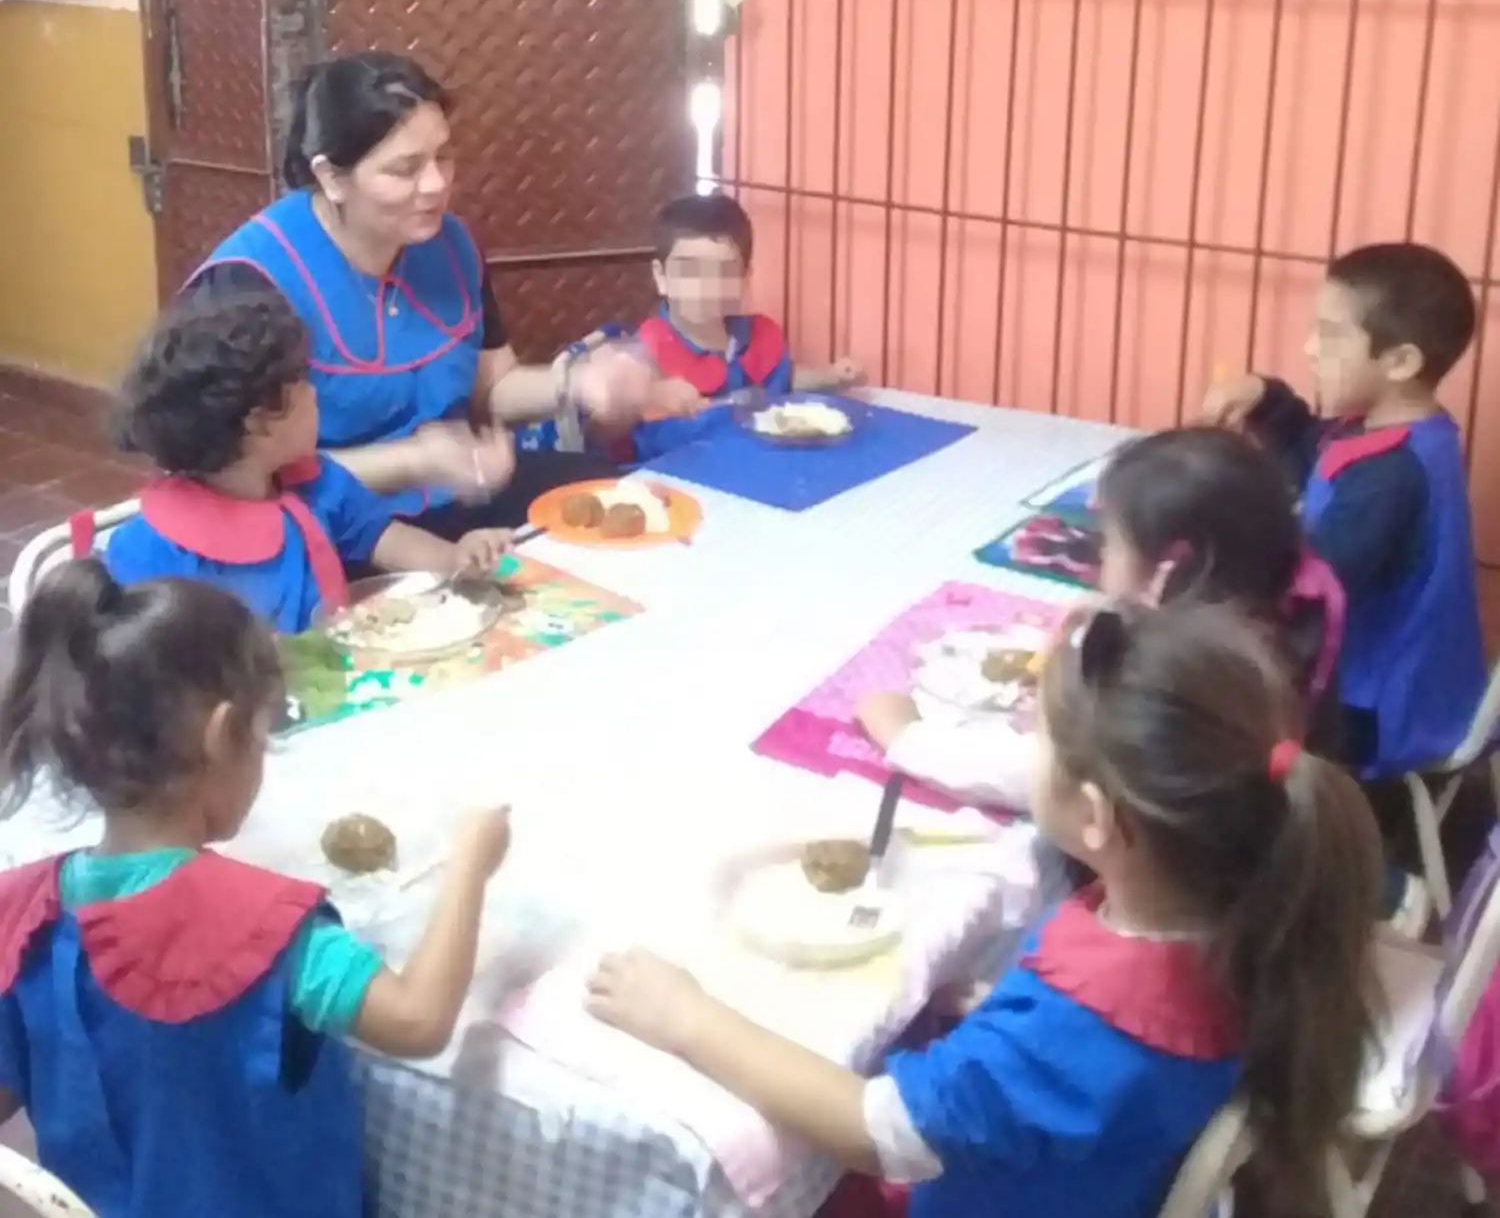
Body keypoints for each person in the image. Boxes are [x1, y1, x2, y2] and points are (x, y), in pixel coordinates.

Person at [588, 601, 1384, 1218]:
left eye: (1036, 739)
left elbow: (873, 1132)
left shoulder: (1082, 1034)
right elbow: (1075, 1060)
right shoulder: (1242, 905)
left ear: (1099, 817)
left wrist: (683, 1017)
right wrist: (995, 1013)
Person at [0, 560, 512, 1218]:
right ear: (222, 736)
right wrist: (470, 862)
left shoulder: (23, 916)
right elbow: (418, 1020)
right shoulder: (264, 926)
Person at [189, 49, 659, 534]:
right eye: (405, 168)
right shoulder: (248, 285)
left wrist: (577, 384)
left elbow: (493, 387)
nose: (436, 184)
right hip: (319, 525)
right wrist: (414, 460)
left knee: (611, 496)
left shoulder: (449, 245)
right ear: (331, 177)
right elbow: (238, 476)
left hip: (452, 495)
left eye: (443, 157)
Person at [856, 427, 1343, 813]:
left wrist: (910, 739)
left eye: (1109, 543)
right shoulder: (1260, 618)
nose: (1098, 563)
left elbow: (1054, 781)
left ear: (1170, 566)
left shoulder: (1181, 683)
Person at [1203, 241, 1487, 780]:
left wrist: (1212, 569)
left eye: (1330, 336)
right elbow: (1317, 452)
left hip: (1380, 713)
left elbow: (1308, 591)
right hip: (1432, 687)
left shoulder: (1389, 476)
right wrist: (1265, 398)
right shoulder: (1403, 432)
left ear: (1400, 361)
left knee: (1214, 709)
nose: (1309, 348)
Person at [103, 290, 510, 634]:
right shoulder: (154, 549)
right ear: (259, 423)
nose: (315, 395)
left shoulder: (318, 483)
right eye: (301, 385)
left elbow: (388, 540)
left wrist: (458, 557)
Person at [528, 193, 864, 461]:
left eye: (725, 271)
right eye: (690, 271)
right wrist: (643, 398)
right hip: (665, 485)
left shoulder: (761, 336)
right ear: (661, 277)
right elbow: (600, 437)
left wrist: (830, 378)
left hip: (750, 473)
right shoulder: (642, 353)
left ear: (746, 278)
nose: (708, 286)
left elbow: (784, 377)